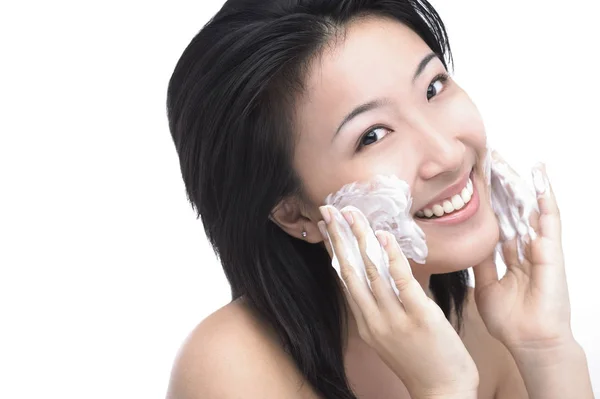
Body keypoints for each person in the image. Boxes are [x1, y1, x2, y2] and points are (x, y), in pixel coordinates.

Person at [164, 1, 594, 398]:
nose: (447, 153)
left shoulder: (491, 336)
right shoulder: (229, 366)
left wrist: (548, 349)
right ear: (294, 213)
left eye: (434, 87)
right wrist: (443, 389)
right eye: (372, 135)